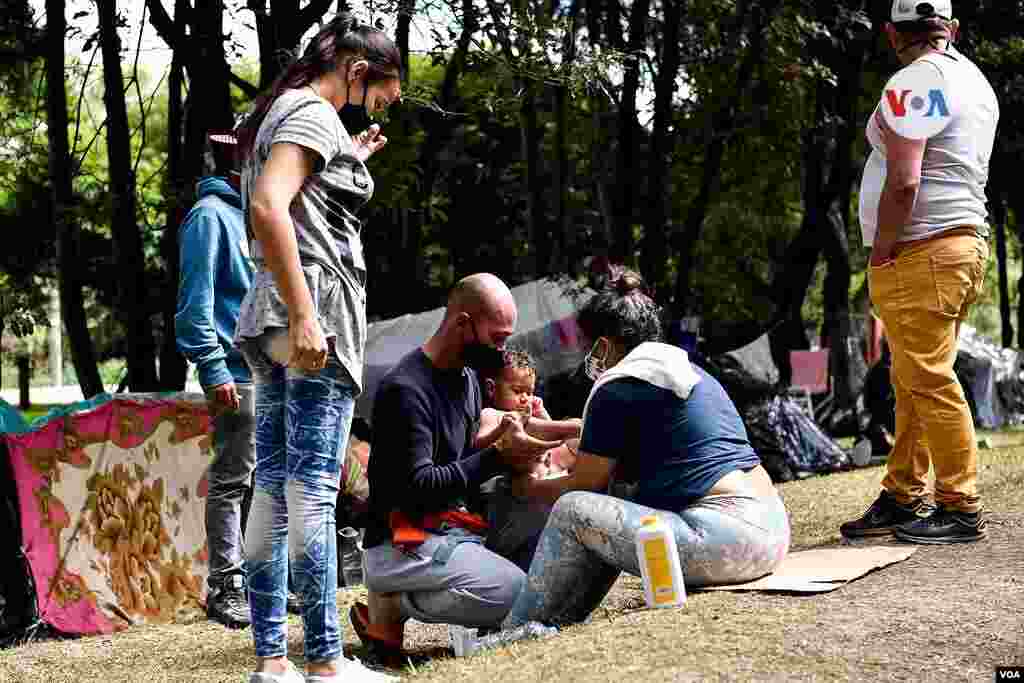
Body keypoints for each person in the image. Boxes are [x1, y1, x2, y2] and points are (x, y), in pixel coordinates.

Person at [232, 13, 402, 683]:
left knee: (274, 487)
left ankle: (274, 663)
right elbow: (270, 207)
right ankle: (328, 663)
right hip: (311, 319)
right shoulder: (310, 109)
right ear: (359, 71)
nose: (393, 101)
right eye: (391, 86)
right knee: (310, 492)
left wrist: (346, 161)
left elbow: (298, 207)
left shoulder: (286, 111)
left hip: (271, 316)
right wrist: (307, 316)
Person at [500, 269, 790, 631]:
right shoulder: (691, 373)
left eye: (588, 345)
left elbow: (584, 487)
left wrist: (527, 489)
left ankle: (516, 627)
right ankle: (560, 618)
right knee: (614, 497)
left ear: (604, 345)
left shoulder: (617, 387)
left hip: (727, 542)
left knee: (572, 510)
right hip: (773, 533)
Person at [842, 0, 998, 544]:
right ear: (950, 29)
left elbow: (905, 182)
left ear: (891, 34)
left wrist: (882, 248)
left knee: (927, 379)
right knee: (912, 379)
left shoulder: (912, 81)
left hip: (924, 248)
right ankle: (903, 493)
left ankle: (960, 506)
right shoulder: (973, 80)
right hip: (961, 245)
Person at [349, 273, 563, 659]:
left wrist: (527, 444)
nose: (502, 350)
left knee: (550, 518)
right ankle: (391, 604)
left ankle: (480, 593)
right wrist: (498, 455)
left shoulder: (466, 379)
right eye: (497, 337)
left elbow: (464, 454)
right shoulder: (406, 390)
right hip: (403, 539)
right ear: (463, 324)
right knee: (520, 592)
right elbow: (420, 486)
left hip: (456, 526)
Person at [175, 131, 255, 629]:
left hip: (267, 368)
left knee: (264, 483)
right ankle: (225, 586)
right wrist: (212, 365)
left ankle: (262, 582)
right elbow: (193, 307)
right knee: (232, 480)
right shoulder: (209, 216)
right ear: (238, 166)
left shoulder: (249, 214)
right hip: (234, 372)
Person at [474, 347, 582, 478]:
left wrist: (541, 412)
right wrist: (501, 429)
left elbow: (551, 431)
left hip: (547, 473)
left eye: (530, 392)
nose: (525, 398)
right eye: (517, 391)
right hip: (514, 482)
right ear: (491, 388)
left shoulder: (530, 413)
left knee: (575, 437)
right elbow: (479, 445)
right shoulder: (490, 414)